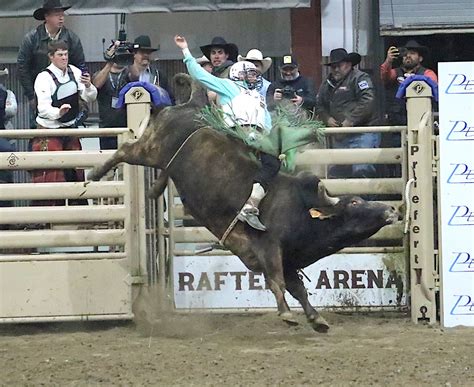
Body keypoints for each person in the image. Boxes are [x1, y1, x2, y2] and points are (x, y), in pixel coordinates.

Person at [175, 34, 279, 231]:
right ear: (239, 73)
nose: (254, 76)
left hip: (256, 138)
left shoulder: (258, 96)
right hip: (234, 135)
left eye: (254, 74)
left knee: (273, 163)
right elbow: (200, 75)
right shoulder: (229, 87)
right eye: (249, 73)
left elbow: (267, 121)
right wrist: (185, 51)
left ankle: (251, 205)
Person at [32, 40, 97, 205]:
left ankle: (79, 215)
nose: (64, 58)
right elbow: (43, 108)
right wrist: (58, 112)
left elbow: (90, 97)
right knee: (51, 177)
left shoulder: (74, 72)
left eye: (66, 54)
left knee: (77, 173)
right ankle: (48, 217)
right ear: (51, 57)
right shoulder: (43, 78)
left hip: (70, 130)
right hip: (50, 131)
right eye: (60, 55)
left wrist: (89, 86)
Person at [17, 0, 85, 129]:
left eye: (62, 14)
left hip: (67, 94)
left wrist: (80, 94)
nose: (61, 17)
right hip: (41, 94)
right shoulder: (31, 38)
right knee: (40, 132)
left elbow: (80, 65)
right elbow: (22, 68)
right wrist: (31, 95)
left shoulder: (72, 38)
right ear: (46, 16)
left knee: (69, 131)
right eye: (56, 14)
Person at [315, 48, 379, 178]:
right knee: (339, 172)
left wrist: (350, 120)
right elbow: (319, 105)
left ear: (349, 64)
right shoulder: (327, 83)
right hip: (341, 135)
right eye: (333, 66)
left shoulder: (360, 78)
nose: (336, 69)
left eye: (339, 65)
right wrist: (327, 119)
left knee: (361, 169)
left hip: (363, 131)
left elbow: (368, 101)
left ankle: (366, 198)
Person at [380, 39, 438, 128]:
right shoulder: (396, 72)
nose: (408, 56)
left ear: (420, 58)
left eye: (412, 53)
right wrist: (388, 61)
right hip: (397, 124)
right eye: (405, 54)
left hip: (421, 123)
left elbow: (434, 87)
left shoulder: (427, 73)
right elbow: (384, 77)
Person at [92, 40, 132, 150]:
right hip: (107, 128)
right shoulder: (101, 74)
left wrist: (130, 57)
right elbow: (96, 85)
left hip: (128, 128)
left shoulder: (129, 74)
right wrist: (110, 61)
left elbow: (138, 77)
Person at [129, 35, 172, 102]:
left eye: (148, 52)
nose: (146, 55)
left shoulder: (159, 75)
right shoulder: (126, 74)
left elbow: (170, 99)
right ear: (134, 54)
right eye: (142, 52)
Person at [0, 68, 17, 210]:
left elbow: (11, 110)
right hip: (4, 142)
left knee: (6, 179)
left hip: (5, 139)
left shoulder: (6, 93)